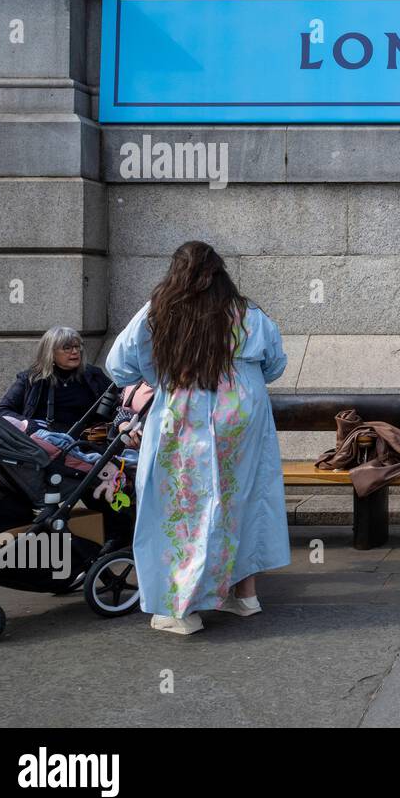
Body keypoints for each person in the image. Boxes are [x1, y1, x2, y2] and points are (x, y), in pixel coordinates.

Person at [105, 241, 290, 635]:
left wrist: (161, 376)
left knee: (182, 504)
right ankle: (244, 595)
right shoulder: (248, 314)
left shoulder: (160, 312)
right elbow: (275, 363)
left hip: (184, 412)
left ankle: (181, 606)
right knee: (243, 497)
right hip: (243, 414)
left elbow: (118, 365)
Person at [0, 326, 110, 434]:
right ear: (51, 353)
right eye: (67, 348)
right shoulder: (31, 379)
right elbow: (2, 412)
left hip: (85, 445)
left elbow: (122, 398)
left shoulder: (93, 375)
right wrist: (30, 425)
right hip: (43, 443)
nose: (75, 351)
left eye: (77, 346)